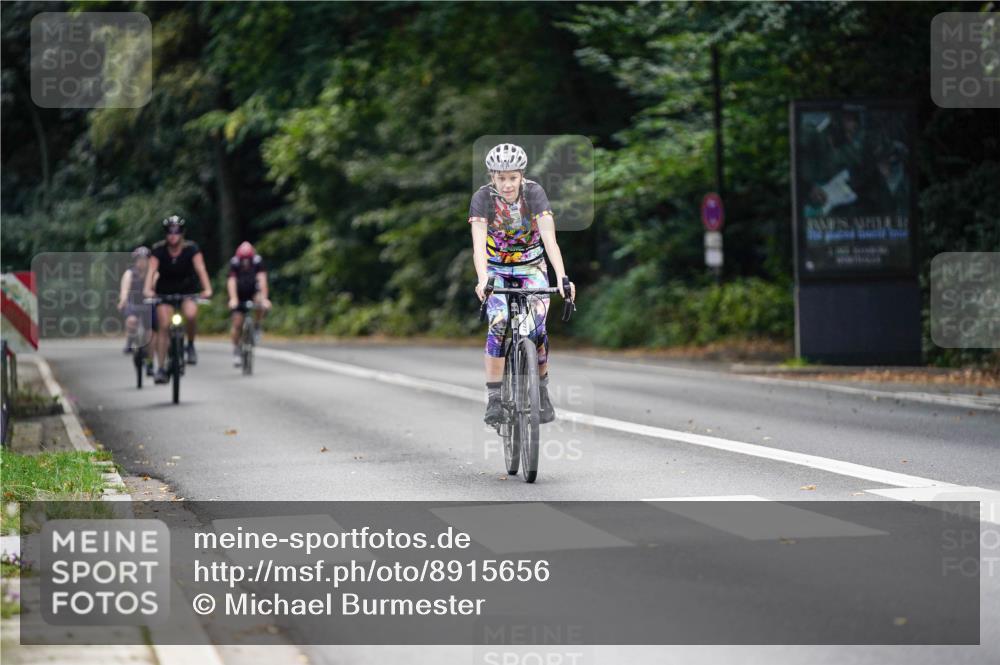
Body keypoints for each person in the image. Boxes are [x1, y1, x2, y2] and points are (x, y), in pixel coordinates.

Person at [468, 143, 575, 426]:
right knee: (500, 321)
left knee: (538, 327)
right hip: (496, 269)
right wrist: (482, 280)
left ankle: (541, 389)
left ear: (521, 176)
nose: (507, 185)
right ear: (492, 177)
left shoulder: (534, 193)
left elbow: (550, 239)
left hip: (531, 266)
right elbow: (478, 245)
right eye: (501, 178)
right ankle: (494, 399)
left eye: (512, 178)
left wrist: (562, 278)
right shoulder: (482, 198)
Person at [143, 215, 213, 384]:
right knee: (164, 326)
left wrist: (207, 288)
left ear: (182, 233)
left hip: (187, 290)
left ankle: (190, 344)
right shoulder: (158, 250)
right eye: (169, 232)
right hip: (164, 292)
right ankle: (160, 368)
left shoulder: (191, 249)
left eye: (177, 231)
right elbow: (151, 271)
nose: (173, 235)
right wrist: (148, 290)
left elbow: (200, 268)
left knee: (190, 314)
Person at [227, 241, 271, 366]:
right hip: (239, 294)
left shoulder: (257, 261)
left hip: (253, 291)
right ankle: (236, 350)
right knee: (237, 323)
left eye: (247, 260)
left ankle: (257, 325)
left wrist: (265, 298)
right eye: (243, 260)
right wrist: (233, 299)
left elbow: (262, 280)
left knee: (260, 302)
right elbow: (231, 282)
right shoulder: (234, 263)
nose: (245, 262)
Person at [116, 246, 154, 375]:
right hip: (134, 303)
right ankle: (130, 341)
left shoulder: (153, 273)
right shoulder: (130, 273)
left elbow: (156, 288)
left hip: (149, 303)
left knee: (150, 333)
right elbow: (125, 290)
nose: (141, 262)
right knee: (132, 320)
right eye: (139, 259)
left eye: (144, 259)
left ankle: (150, 362)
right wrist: (123, 300)